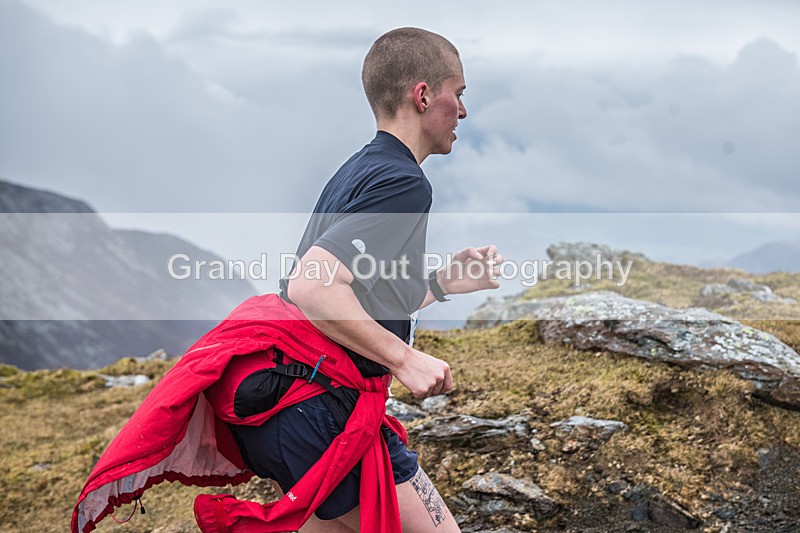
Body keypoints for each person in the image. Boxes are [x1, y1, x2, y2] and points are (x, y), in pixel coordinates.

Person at [228, 27, 504, 532]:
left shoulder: (360, 170)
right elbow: (312, 287)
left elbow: (352, 292)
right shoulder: (403, 182)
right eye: (457, 94)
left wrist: (440, 285)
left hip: (287, 408)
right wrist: (405, 358)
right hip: (322, 413)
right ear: (422, 96)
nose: (462, 111)